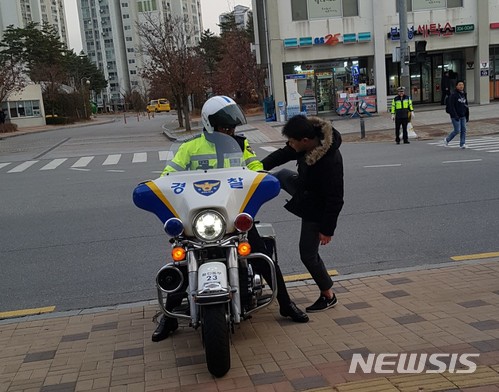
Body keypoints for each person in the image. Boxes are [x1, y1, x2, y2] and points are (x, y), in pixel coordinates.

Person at [152, 96, 309, 342]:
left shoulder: (241, 146)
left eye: (232, 127)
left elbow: (256, 168)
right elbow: (169, 176)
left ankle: (286, 304)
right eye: (225, 127)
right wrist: (158, 187)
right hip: (200, 220)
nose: (230, 131)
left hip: (233, 218)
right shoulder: (189, 148)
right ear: (209, 124)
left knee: (262, 257)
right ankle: (169, 318)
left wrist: (264, 180)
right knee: (181, 262)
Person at [261, 115, 344, 313]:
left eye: (292, 142)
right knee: (281, 175)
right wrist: (256, 168)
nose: (290, 145)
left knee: (307, 255)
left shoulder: (329, 161)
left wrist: (326, 229)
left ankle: (328, 295)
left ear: (305, 141)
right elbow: (283, 154)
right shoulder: (305, 140)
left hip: (317, 209)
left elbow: (336, 199)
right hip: (305, 188)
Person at [444, 80, 469, 149]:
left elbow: (466, 105)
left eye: (462, 85)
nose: (461, 86)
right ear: (456, 86)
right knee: (457, 130)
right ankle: (447, 140)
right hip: (455, 116)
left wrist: (467, 115)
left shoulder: (464, 94)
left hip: (463, 115)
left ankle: (462, 143)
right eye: (459, 85)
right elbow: (451, 106)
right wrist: (455, 115)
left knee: (463, 129)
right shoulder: (453, 95)